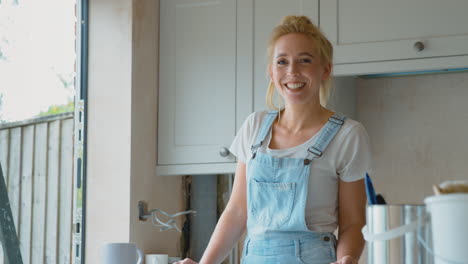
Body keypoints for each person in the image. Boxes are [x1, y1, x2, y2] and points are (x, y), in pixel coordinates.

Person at [177, 15, 373, 264]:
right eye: (282, 62)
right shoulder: (254, 126)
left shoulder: (348, 135)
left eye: (305, 60)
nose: (292, 71)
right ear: (271, 72)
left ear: (325, 69)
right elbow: (237, 212)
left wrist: (347, 258)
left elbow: (353, 222)